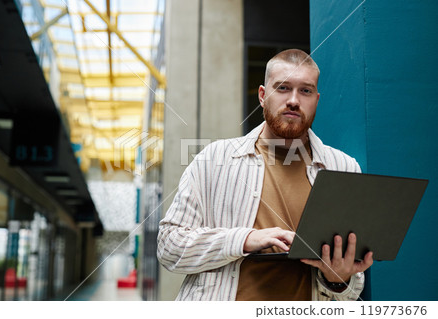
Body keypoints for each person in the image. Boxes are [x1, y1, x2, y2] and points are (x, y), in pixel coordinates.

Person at [157, 49, 373, 301]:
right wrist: (244, 239)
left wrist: (338, 279)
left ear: (316, 98)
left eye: (305, 90)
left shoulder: (344, 168)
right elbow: (169, 247)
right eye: (282, 88)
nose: (294, 100)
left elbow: (352, 285)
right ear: (262, 95)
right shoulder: (213, 160)